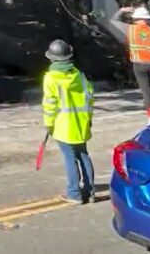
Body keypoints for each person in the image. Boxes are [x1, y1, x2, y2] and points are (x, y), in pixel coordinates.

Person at [42, 39, 95, 205]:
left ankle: (74, 193)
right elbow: (89, 98)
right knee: (83, 156)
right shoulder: (80, 76)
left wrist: (48, 123)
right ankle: (90, 192)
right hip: (81, 123)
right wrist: (89, 120)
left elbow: (50, 104)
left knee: (69, 158)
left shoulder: (51, 78)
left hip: (63, 126)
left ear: (52, 59)